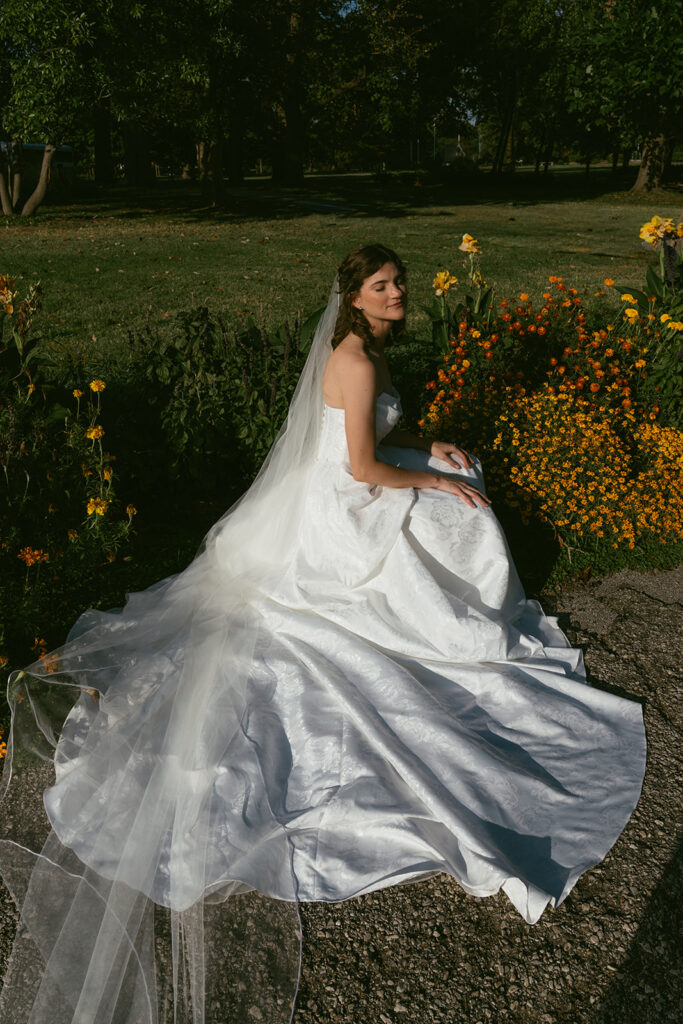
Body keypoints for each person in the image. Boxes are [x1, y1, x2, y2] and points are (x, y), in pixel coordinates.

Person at [0, 244, 646, 1024]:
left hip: (334, 490)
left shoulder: (356, 350)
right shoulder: (356, 357)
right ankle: (456, 630)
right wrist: (432, 477)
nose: (398, 292)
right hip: (342, 518)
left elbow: (356, 446)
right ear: (356, 297)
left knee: (456, 481)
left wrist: (427, 445)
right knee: (455, 503)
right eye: (383, 286)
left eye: (399, 282)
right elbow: (365, 472)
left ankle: (455, 606)